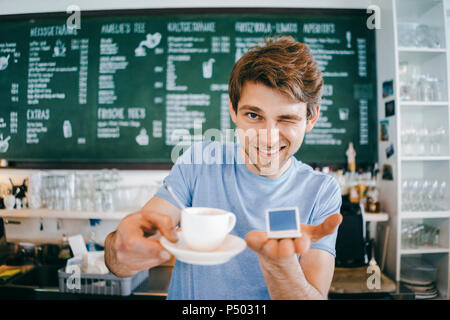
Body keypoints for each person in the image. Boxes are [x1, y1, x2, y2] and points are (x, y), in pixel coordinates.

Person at [105, 36, 343, 300]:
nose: (268, 136)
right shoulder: (199, 161)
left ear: (311, 118)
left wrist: (279, 266)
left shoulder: (321, 191)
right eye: (254, 115)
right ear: (233, 110)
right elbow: (120, 264)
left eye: (286, 118)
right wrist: (119, 247)